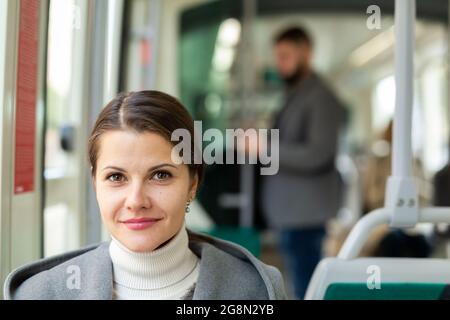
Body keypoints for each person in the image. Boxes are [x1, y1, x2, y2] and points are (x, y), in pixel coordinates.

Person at [4, 90, 286, 300]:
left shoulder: (257, 290)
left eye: (160, 175)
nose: (136, 200)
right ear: (95, 184)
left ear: (192, 183)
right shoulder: (40, 294)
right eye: (116, 177)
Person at [260, 27, 344, 299]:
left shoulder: (320, 97)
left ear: (306, 52)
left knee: (307, 290)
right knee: (299, 287)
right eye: (278, 57)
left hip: (305, 216)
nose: (279, 64)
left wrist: (264, 147)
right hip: (293, 214)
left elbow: (319, 153)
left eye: (286, 56)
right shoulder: (297, 95)